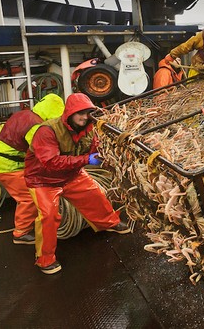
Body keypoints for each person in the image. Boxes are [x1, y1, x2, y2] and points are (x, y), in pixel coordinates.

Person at [24, 92, 130, 274]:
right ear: (69, 113)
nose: (84, 117)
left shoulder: (89, 129)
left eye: (88, 112)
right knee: (48, 216)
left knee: (96, 195)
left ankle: (109, 223)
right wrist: (86, 159)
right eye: (80, 113)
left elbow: (96, 147)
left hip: (71, 175)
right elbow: (51, 162)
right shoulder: (47, 131)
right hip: (43, 180)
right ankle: (45, 259)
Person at [0, 93, 65, 245]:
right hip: (9, 168)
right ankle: (21, 233)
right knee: (28, 197)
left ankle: (28, 226)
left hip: (3, 163)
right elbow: (43, 152)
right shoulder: (37, 126)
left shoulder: (25, 114)